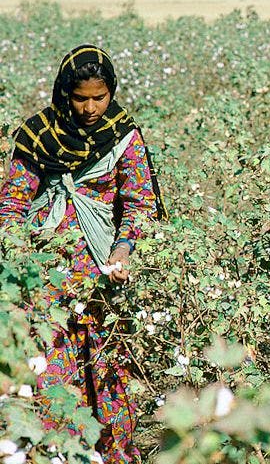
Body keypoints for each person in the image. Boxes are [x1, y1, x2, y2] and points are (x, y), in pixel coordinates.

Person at [0, 44, 164, 463]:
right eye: (80, 98)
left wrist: (124, 249)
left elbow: (139, 202)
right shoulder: (38, 134)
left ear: (112, 92)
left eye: (99, 97)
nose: (90, 108)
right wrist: (22, 261)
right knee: (52, 368)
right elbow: (12, 205)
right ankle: (58, 453)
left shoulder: (124, 134)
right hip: (47, 278)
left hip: (105, 272)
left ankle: (114, 454)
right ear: (63, 93)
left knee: (109, 368)